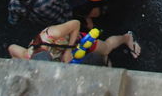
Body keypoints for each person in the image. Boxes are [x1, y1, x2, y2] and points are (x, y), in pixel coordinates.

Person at [8, 18, 139, 64]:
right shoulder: (28, 56)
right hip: (71, 56)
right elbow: (11, 48)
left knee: (106, 49)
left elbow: (75, 24)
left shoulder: (52, 34)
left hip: (74, 41)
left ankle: (126, 38)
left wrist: (68, 50)